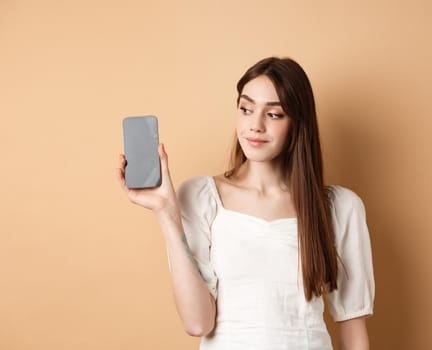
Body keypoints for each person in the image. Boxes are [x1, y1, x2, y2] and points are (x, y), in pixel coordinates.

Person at [116, 57, 375, 350]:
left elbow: (353, 332)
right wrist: (166, 212)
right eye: (246, 109)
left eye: (274, 114)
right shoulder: (201, 197)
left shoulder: (339, 208)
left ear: (298, 123)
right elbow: (198, 323)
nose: (255, 125)